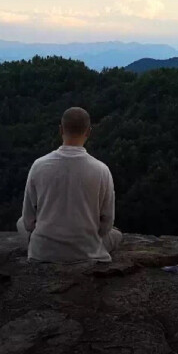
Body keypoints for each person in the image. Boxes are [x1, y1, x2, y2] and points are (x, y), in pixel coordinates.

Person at [16, 107, 122, 262]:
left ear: (61, 130)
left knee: (20, 222)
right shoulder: (101, 170)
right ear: (88, 132)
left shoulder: (39, 165)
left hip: (43, 251)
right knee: (116, 234)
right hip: (87, 249)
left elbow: (28, 221)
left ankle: (43, 246)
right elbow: (106, 224)